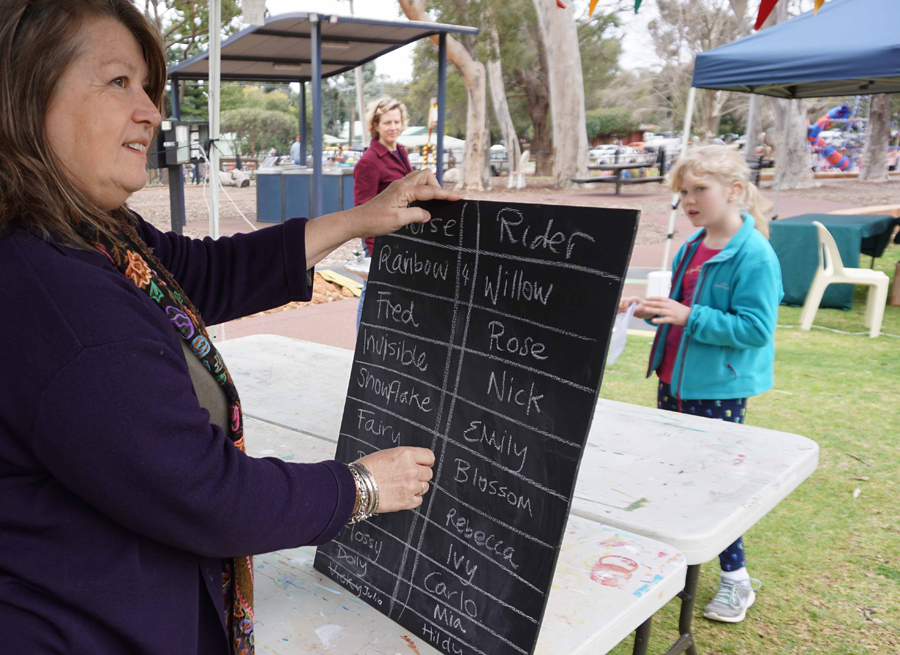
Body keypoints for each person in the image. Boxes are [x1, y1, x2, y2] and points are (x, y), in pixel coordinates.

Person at [0, 2, 460, 654]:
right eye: (118, 82)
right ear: (28, 92)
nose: (151, 112)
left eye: (149, 88)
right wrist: (361, 486)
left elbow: (201, 272)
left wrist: (360, 219)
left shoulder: (89, 234)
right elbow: (209, 495)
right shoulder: (59, 299)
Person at [618, 145, 783, 624]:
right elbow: (680, 312)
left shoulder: (754, 255)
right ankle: (679, 572)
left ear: (734, 191)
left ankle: (736, 581)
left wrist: (690, 316)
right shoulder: (693, 245)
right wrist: (649, 309)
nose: (688, 201)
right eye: (682, 192)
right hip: (673, 381)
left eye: (699, 190)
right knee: (673, 478)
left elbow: (756, 329)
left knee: (715, 488)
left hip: (719, 391)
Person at [353, 96, 413, 330]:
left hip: (401, 236)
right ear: (376, 125)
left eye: (397, 122)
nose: (393, 127)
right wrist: (372, 249)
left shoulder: (400, 151)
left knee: (391, 295)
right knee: (371, 292)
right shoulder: (368, 162)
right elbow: (363, 210)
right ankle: (361, 344)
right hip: (379, 239)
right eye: (387, 122)